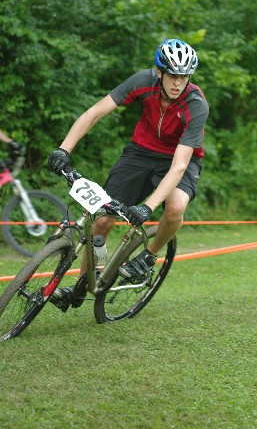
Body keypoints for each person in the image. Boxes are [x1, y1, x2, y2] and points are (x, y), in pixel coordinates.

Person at [48, 39, 209, 307]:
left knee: (176, 206)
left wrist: (147, 207)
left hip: (180, 157)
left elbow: (180, 165)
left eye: (183, 76)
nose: (177, 82)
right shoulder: (142, 82)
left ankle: (149, 254)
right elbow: (94, 113)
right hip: (140, 153)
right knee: (101, 221)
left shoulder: (196, 104)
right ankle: (81, 286)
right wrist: (64, 149)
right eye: (172, 75)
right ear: (159, 72)